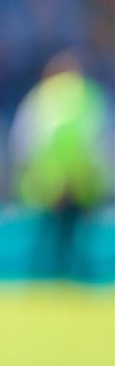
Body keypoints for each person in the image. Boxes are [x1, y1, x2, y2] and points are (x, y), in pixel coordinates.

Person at [9, 50, 113, 281]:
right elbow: (104, 143)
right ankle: (77, 282)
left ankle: (43, 283)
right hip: (84, 182)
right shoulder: (90, 97)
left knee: (47, 242)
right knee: (78, 242)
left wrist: (28, 175)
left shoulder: (40, 97)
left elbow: (23, 140)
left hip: (46, 182)